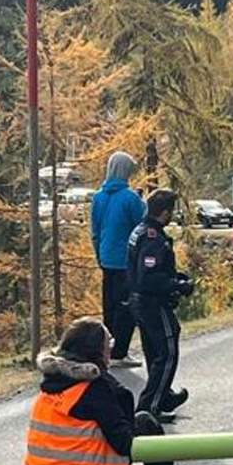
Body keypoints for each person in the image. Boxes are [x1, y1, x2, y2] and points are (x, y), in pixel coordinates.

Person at [14, 316, 197, 465]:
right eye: (109, 344)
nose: (110, 349)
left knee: (90, 429)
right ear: (97, 351)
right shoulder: (96, 388)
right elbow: (123, 443)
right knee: (144, 421)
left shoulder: (52, 381)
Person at [127, 188, 194, 421]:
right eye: (172, 211)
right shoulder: (153, 236)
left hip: (138, 301)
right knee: (167, 352)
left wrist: (176, 276)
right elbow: (150, 277)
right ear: (165, 213)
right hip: (152, 303)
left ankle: (162, 396)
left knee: (154, 351)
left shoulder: (140, 230)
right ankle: (150, 406)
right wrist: (177, 285)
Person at [90, 152, 147, 367]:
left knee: (110, 305)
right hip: (126, 261)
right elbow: (142, 226)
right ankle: (120, 352)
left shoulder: (98, 197)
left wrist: (99, 254)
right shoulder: (130, 198)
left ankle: (107, 348)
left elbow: (95, 231)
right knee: (127, 306)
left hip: (106, 257)